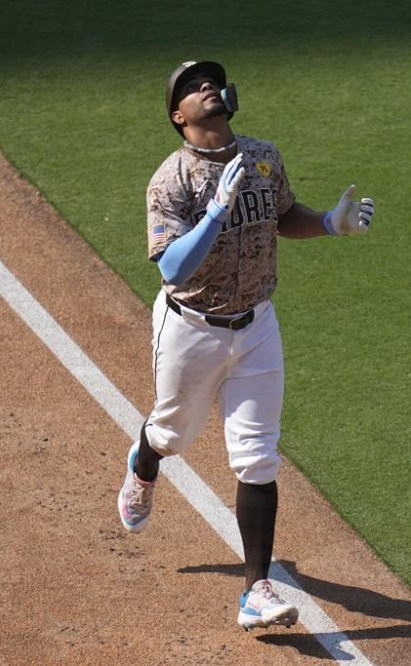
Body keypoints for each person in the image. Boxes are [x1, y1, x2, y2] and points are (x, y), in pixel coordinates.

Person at [117, 60, 374, 631]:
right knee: (173, 434)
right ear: (178, 117)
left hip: (257, 326)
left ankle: (256, 589)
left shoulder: (262, 156)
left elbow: (284, 216)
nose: (206, 88)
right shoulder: (172, 179)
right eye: (191, 88)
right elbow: (174, 266)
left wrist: (331, 224)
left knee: (258, 457)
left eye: (211, 81)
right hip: (191, 327)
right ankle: (145, 460)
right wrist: (213, 213)